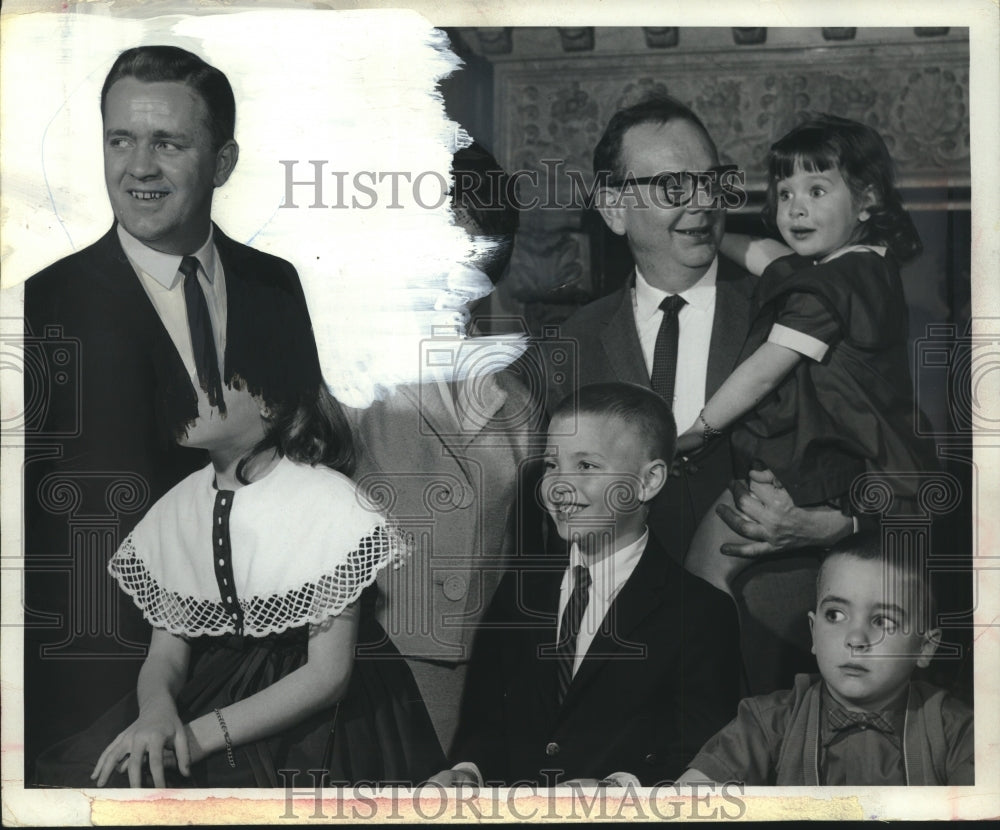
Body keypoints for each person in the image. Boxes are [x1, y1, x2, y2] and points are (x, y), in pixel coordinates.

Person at [22, 45, 321, 771]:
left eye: (169, 143)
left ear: (222, 161)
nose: (139, 168)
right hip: (94, 691)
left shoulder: (275, 285)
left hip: (263, 674)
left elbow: (307, 462)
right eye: (120, 140)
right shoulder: (40, 304)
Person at [547, 95, 854, 693]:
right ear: (614, 208)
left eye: (711, 180)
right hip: (626, 669)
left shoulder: (796, 313)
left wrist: (825, 526)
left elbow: (900, 470)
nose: (703, 202)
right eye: (672, 186)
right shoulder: (572, 343)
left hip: (778, 651)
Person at [33, 377, 446, 788]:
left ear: (269, 400)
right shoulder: (178, 506)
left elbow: (327, 676)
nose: (179, 393)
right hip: (211, 687)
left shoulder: (330, 502)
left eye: (206, 382)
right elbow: (167, 656)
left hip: (311, 711)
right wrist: (156, 714)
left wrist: (196, 738)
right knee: (81, 773)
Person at [430, 383, 741, 786]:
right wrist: (465, 772)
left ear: (649, 481)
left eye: (587, 467)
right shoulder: (520, 589)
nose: (559, 486)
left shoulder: (700, 613)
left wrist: (618, 788)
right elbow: (484, 725)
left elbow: (700, 752)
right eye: (552, 464)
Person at [679, 114, 937, 597]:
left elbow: (762, 373)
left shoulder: (829, 287)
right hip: (864, 462)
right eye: (784, 194)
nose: (796, 208)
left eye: (817, 191)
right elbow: (774, 260)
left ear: (867, 200)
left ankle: (710, 669)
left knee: (700, 572)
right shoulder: (865, 267)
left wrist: (701, 429)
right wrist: (713, 237)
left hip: (820, 463)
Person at [348, 141, 543, 756]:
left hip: (486, 671)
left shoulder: (521, 398)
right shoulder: (348, 381)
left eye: (472, 247)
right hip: (370, 664)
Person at [679, 533, 974, 785]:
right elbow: (685, 805)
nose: (855, 639)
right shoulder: (767, 723)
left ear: (925, 647)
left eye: (883, 621)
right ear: (813, 632)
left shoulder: (958, 732)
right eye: (835, 615)